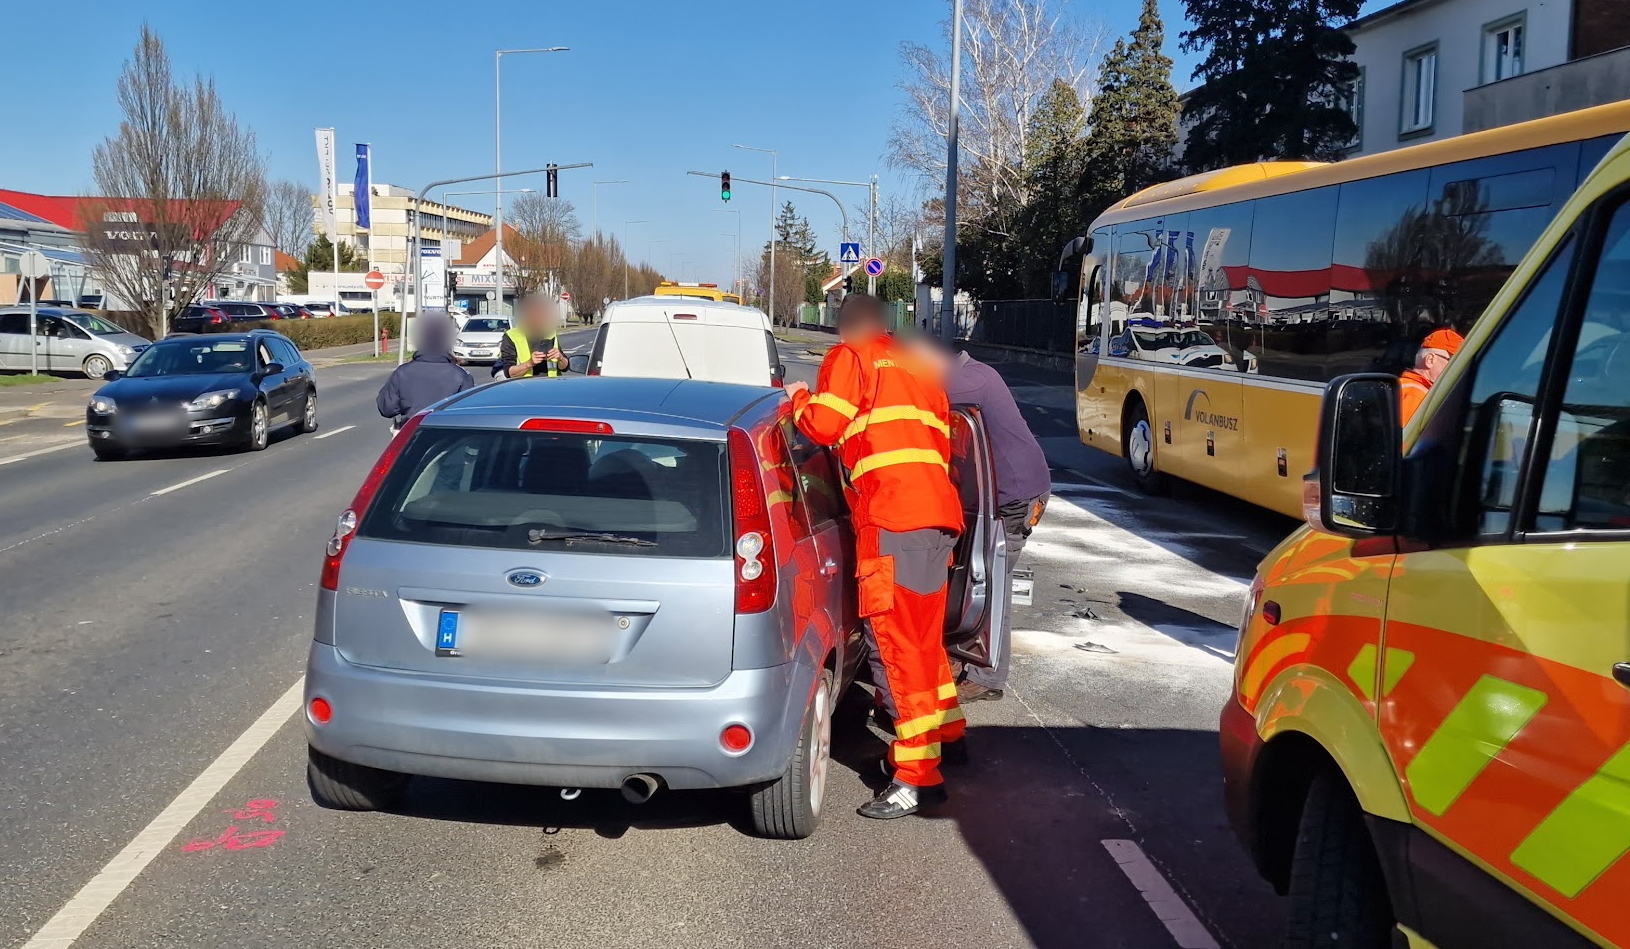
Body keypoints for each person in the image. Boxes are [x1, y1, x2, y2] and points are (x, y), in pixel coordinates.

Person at [786, 294, 965, 820]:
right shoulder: (916, 363)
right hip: (937, 516)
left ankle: (916, 777)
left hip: (892, 519)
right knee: (925, 636)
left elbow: (821, 425)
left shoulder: (852, 357)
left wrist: (797, 399)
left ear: (847, 327)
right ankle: (947, 731)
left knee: (897, 645)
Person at [906, 336, 1050, 703]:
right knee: (974, 575)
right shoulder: (963, 377)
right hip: (990, 493)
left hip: (1013, 497)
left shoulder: (972, 379)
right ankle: (962, 656)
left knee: (991, 578)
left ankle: (987, 676)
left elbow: (919, 403)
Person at [376, 313, 474, 429]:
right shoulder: (461, 375)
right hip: (448, 437)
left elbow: (387, 408)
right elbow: (468, 414)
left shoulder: (402, 372)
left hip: (412, 435)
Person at [1398, 328, 1464, 425]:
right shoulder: (1416, 395)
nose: (1457, 369)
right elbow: (1404, 439)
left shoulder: (1405, 386)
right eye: (1452, 362)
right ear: (1430, 360)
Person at [494, 294, 569, 379]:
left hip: (550, 386)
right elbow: (510, 373)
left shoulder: (550, 333)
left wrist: (560, 358)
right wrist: (530, 363)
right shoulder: (512, 336)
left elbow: (565, 367)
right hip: (525, 387)